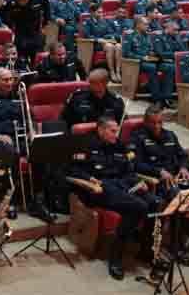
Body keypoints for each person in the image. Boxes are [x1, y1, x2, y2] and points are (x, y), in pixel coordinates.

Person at [69, 117, 158, 280]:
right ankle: (115, 257)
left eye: (117, 131)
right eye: (112, 131)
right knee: (139, 206)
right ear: (100, 130)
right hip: (99, 190)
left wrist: (138, 182)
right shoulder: (86, 145)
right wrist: (89, 179)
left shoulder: (119, 145)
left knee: (153, 202)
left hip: (122, 186)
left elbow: (128, 171)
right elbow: (73, 170)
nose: (116, 134)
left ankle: (145, 249)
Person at [131, 106, 189, 261]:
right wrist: (159, 171)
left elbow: (183, 155)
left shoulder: (170, 135)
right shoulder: (137, 138)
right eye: (153, 123)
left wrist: (184, 168)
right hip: (160, 183)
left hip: (180, 179)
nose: (157, 126)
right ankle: (175, 244)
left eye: (160, 122)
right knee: (179, 196)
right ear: (146, 122)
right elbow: (136, 165)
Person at [122, 17, 175, 108]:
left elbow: (151, 49)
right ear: (138, 25)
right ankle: (156, 99)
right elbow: (126, 53)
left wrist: (153, 54)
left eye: (148, 24)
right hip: (137, 63)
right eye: (145, 24)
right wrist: (142, 57)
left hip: (151, 60)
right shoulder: (129, 35)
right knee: (151, 67)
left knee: (170, 67)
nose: (148, 26)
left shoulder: (147, 35)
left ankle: (166, 97)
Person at [0, 0, 49, 64]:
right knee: (21, 56)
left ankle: (34, 68)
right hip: (20, 30)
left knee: (36, 56)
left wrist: (44, 24)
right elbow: (1, 11)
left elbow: (47, 6)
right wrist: (10, 24)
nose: (21, 2)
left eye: (23, 0)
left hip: (35, 30)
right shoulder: (12, 1)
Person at [61, 68, 125, 128]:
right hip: (81, 135)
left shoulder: (116, 102)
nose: (89, 85)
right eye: (89, 82)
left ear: (105, 83)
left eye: (93, 83)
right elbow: (64, 120)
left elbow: (120, 126)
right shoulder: (78, 98)